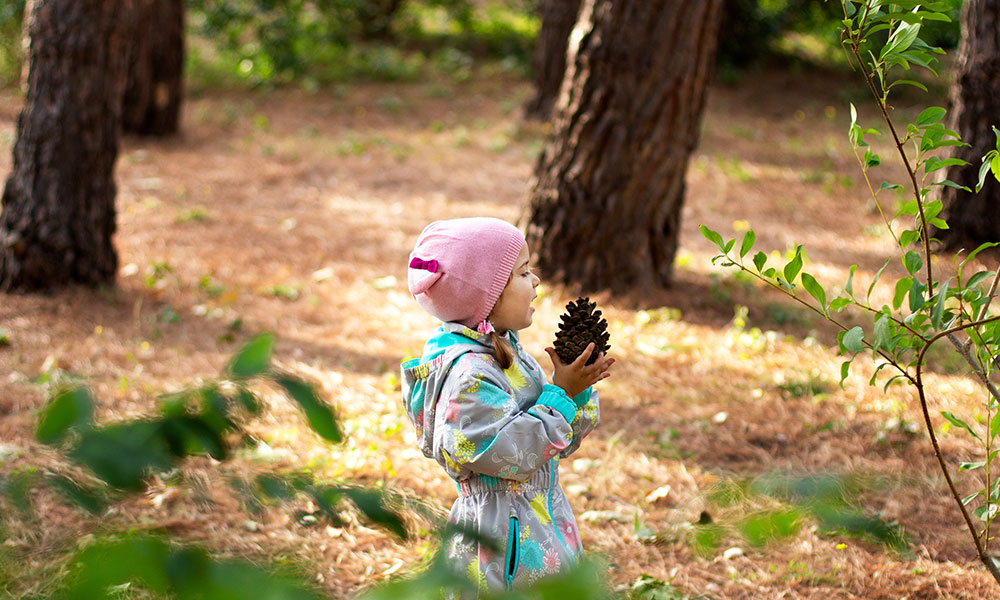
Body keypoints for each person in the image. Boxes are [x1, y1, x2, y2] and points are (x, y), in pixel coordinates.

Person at [400, 217, 614, 594]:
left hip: (539, 523)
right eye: (523, 273)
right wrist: (559, 395)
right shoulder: (468, 375)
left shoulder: (508, 352)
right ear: (488, 295)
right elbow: (507, 454)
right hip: (501, 548)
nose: (536, 282)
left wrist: (575, 391)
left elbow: (554, 445)